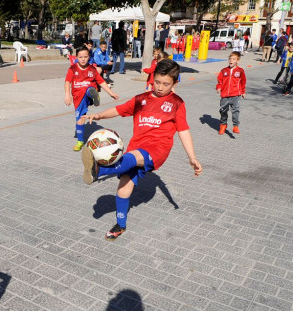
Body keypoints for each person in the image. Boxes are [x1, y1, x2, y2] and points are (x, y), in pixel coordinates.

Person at [81, 59, 202, 240]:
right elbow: (119, 110)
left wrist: (192, 157)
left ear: (175, 83)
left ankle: (99, 169)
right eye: (157, 82)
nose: (160, 87)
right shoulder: (141, 99)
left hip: (157, 150)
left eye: (166, 84)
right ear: (152, 78)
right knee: (123, 188)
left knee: (131, 158)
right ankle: (120, 225)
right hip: (136, 146)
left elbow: (183, 130)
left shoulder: (177, 103)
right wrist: (98, 115)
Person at [64, 46, 119, 151]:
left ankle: (93, 95)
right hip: (78, 98)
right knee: (80, 120)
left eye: (85, 56)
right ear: (77, 57)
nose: (83, 59)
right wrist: (67, 95)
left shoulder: (92, 69)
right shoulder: (73, 69)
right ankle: (80, 141)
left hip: (88, 94)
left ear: (89, 57)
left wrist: (111, 93)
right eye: (81, 57)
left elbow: (101, 82)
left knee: (89, 89)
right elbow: (67, 82)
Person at [216, 51, 246, 135]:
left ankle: (235, 126)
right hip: (225, 95)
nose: (231, 60)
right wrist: (218, 87)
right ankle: (223, 124)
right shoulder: (224, 70)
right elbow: (219, 81)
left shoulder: (240, 71)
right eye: (230, 58)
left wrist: (243, 91)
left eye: (233, 59)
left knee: (235, 110)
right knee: (223, 110)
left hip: (235, 95)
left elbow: (243, 82)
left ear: (238, 61)